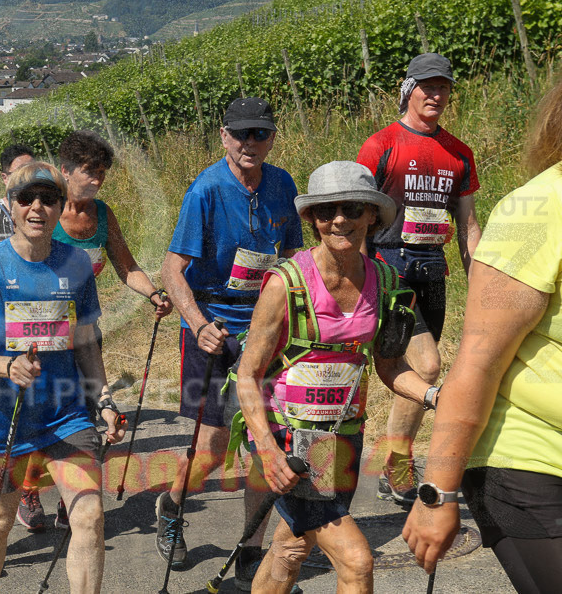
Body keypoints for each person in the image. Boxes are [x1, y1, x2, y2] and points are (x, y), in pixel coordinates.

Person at [239, 161, 438, 593]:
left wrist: (435, 396)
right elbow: (247, 376)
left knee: (291, 548)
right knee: (356, 560)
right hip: (290, 442)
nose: (339, 220)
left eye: (351, 208)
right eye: (326, 211)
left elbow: (388, 365)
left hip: (344, 438)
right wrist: (269, 453)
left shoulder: (385, 281)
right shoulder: (286, 284)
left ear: (371, 214)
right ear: (311, 219)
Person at [403, 79, 562, 592]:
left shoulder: (459, 152)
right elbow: (475, 362)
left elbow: (466, 214)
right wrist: (437, 495)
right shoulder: (539, 210)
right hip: (528, 460)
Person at [0, 162, 126, 593]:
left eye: (48, 199)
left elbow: (87, 343)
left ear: (59, 206)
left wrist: (103, 399)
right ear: (10, 206)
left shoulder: (76, 265)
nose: (37, 208)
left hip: (66, 416)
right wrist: (8, 366)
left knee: (89, 517)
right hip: (3, 418)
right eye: (26, 199)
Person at [156, 97, 302, 585]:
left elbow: (297, 254)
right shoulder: (206, 190)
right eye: (240, 134)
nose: (249, 144)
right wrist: (199, 325)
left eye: (259, 134)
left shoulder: (282, 185)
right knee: (214, 451)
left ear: (272, 138)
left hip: (264, 331)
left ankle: (250, 550)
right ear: (223, 137)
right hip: (212, 331)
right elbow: (172, 271)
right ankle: (172, 505)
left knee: (265, 443)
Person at [15, 130, 173, 532]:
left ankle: (74, 499)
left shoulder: (102, 215)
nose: (97, 181)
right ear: (66, 171)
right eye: (90, 173)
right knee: (39, 418)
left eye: (102, 174)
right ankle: (29, 490)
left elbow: (127, 267)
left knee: (87, 416)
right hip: (40, 337)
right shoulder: (42, 213)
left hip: (84, 335)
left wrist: (153, 293)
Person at [356, 52, 482, 506]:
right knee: (427, 367)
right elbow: (358, 217)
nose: (436, 94)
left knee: (413, 370)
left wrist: (483, 287)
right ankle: (397, 467)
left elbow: (468, 227)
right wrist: (362, 279)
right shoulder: (382, 144)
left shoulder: (459, 153)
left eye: (444, 87)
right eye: (427, 86)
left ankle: (395, 464)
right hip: (390, 270)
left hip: (433, 271)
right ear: (409, 89)